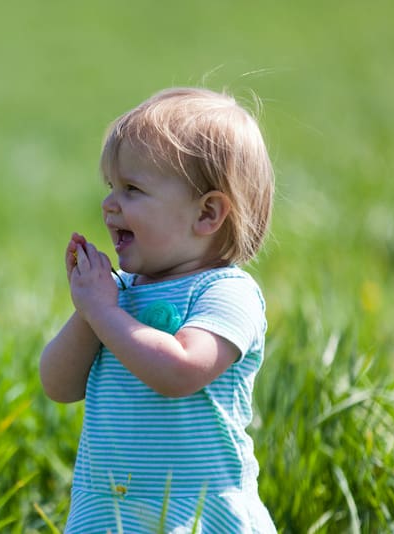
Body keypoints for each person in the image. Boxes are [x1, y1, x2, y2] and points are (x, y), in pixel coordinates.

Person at [40, 87, 277, 533]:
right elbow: (58, 384)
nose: (109, 204)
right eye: (111, 187)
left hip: (198, 511)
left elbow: (180, 371)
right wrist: (89, 311)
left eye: (132, 189)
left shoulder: (226, 293)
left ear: (207, 214)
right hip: (108, 509)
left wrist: (107, 314)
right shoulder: (118, 295)